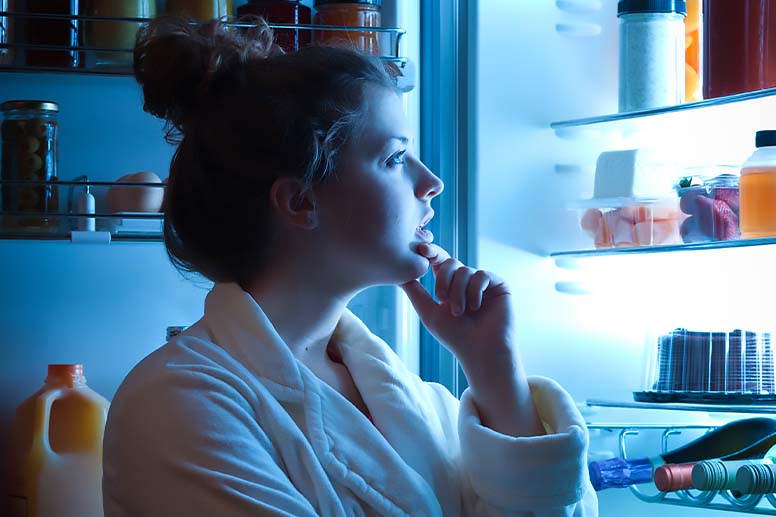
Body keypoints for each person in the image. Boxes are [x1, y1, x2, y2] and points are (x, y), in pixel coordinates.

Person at [102, 16, 598, 517]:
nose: (431, 182)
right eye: (394, 158)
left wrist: (495, 371)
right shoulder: (178, 403)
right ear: (299, 203)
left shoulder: (405, 393)